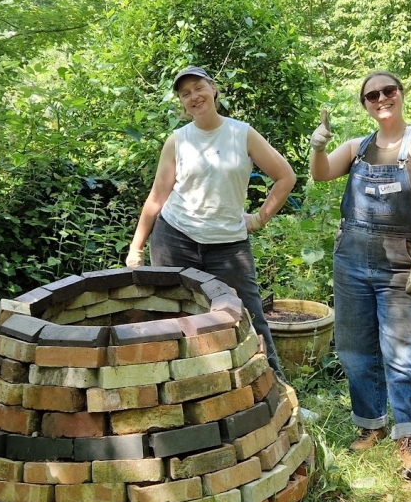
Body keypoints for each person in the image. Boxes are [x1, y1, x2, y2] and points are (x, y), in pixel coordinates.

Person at [309, 71, 411, 483]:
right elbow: (321, 174)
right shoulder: (357, 147)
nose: (381, 98)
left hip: (402, 264)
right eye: (372, 95)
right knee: (355, 350)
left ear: (401, 94)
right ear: (365, 104)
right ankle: (370, 425)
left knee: (404, 353)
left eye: (388, 90)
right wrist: (317, 147)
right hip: (351, 261)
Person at [125, 66, 296, 377]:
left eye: (198, 88)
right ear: (182, 102)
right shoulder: (178, 141)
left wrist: (259, 219)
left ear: (213, 88)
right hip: (174, 238)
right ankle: (178, 388)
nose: (194, 96)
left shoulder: (242, 133)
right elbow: (156, 197)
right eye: (185, 93)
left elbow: (286, 176)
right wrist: (135, 248)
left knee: (250, 316)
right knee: (170, 312)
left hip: (228, 245)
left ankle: (277, 386)